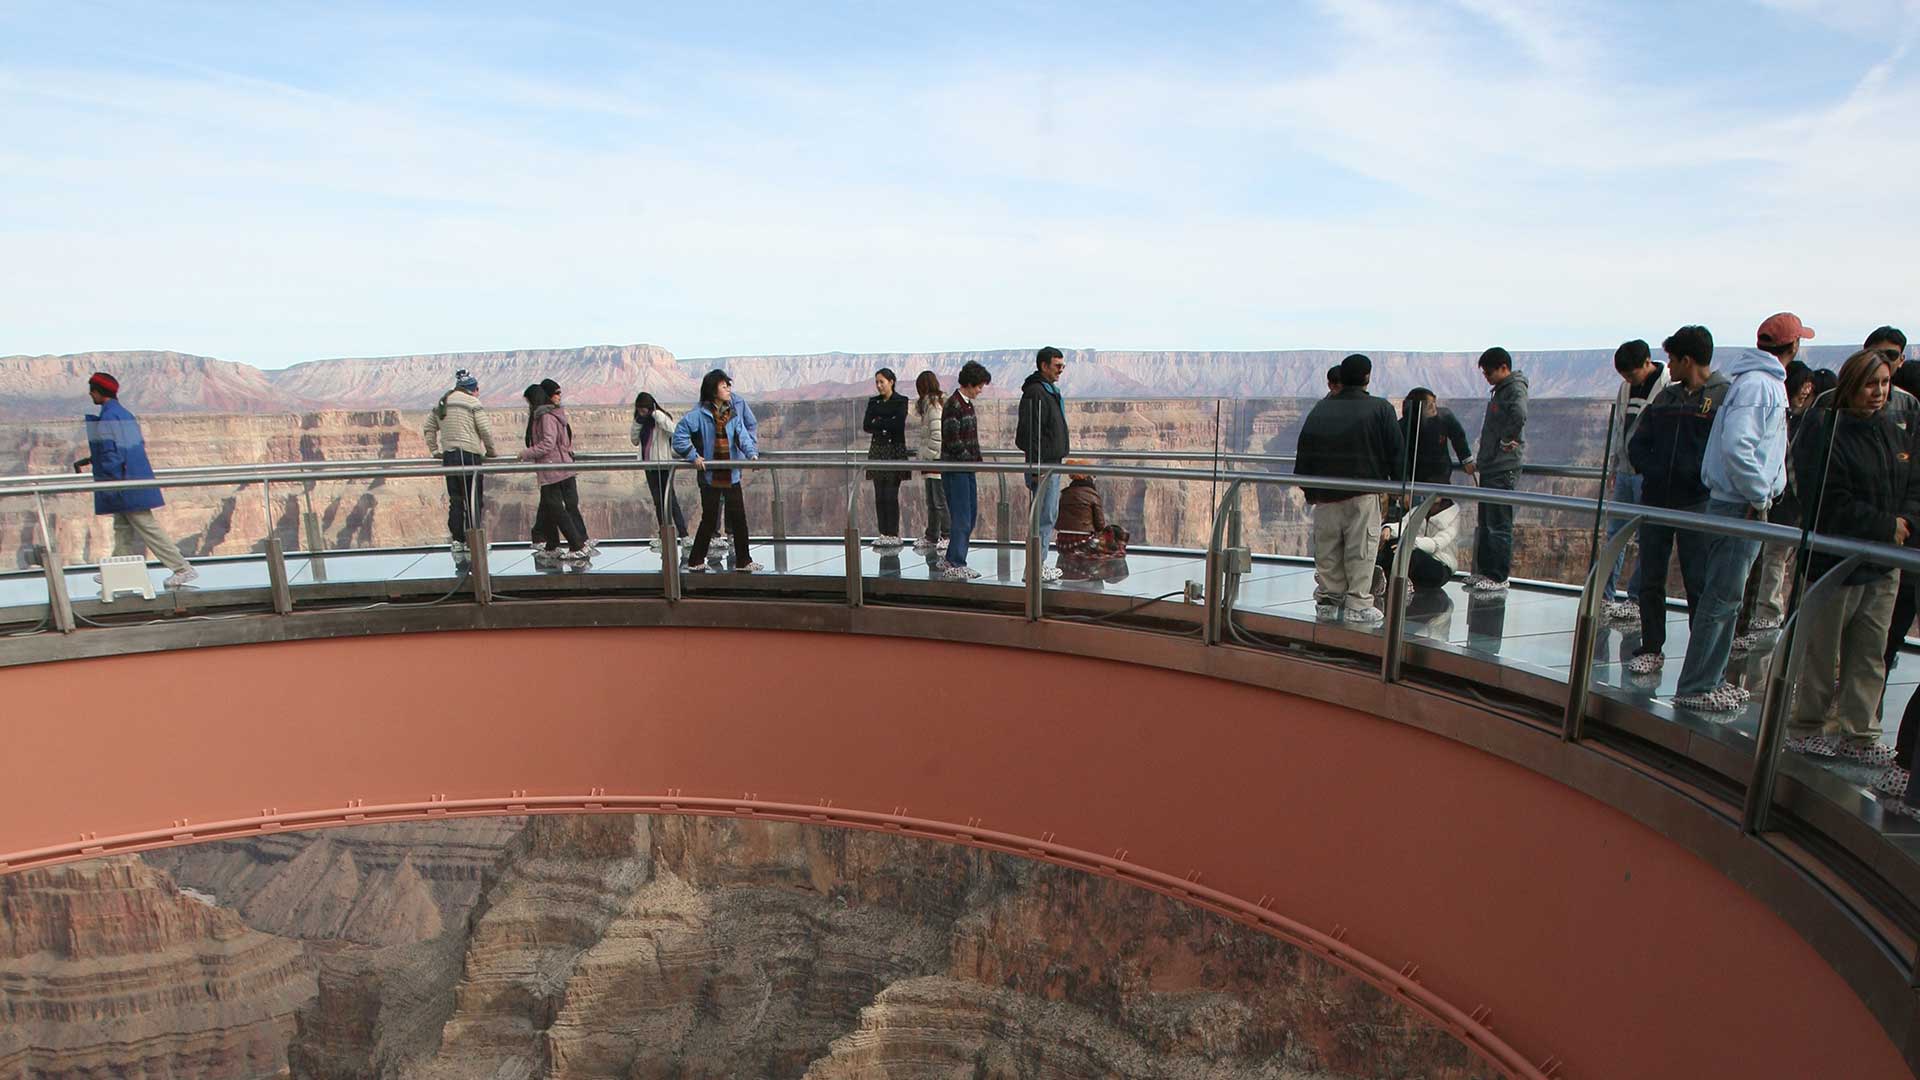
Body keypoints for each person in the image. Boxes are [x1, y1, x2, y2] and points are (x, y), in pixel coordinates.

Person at [1783, 348, 1913, 765]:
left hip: (1882, 565)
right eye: (1870, 385)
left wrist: (1906, 521)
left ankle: (1860, 736)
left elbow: (1912, 482)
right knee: (1821, 653)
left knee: (1870, 654)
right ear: (1850, 387)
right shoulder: (1825, 430)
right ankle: (1806, 728)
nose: (1879, 393)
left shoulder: (1892, 429)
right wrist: (1885, 526)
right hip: (1833, 565)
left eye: (1885, 384)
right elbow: (1827, 501)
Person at [1671, 314, 1800, 712]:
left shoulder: (1757, 382)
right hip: (1740, 504)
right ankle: (1696, 687)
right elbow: (1739, 446)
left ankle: (1711, 679)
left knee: (1728, 597)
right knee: (1721, 598)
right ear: (1792, 347)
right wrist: (1759, 495)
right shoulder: (1760, 386)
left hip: (1741, 501)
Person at [1624, 327, 1727, 675]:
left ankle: (1699, 657)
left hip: (1697, 504)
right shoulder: (1666, 400)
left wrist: (1697, 476)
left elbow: (1727, 451)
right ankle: (1652, 646)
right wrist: (1652, 470)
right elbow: (1637, 442)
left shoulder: (1724, 398)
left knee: (1698, 580)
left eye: (1671, 358)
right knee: (1651, 577)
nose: (1667, 365)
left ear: (1687, 360)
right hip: (1656, 500)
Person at [1294, 353, 1405, 624]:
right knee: (1361, 549)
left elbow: (1305, 449)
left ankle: (1329, 601)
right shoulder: (1380, 409)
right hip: (1363, 492)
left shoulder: (1322, 408)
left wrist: (1310, 490)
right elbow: (1396, 451)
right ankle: (1357, 603)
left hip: (1326, 493)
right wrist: (1399, 485)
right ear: (1367, 377)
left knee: (1328, 549)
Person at [70, 372, 198, 590]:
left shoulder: (109, 418)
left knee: (146, 525)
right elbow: (123, 448)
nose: (90, 394)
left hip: (123, 483)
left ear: (100, 392)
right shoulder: (123, 414)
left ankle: (182, 568)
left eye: (92, 389)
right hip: (131, 478)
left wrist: (107, 480)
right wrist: (91, 460)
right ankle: (116, 570)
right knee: (122, 527)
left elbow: (113, 454)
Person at [1600, 340, 1671, 620]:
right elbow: (1619, 427)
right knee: (1614, 535)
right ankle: (1604, 596)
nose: (1628, 380)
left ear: (1646, 363)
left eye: (1631, 374)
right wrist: (1614, 467)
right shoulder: (1626, 388)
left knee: (1647, 539)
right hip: (1625, 471)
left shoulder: (1665, 386)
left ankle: (1635, 598)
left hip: (1647, 474)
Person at [672, 369, 762, 573]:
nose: (729, 389)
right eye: (724, 386)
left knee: (739, 517)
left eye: (728, 385)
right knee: (710, 518)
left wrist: (752, 455)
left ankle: (743, 561)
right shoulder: (698, 415)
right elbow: (679, 436)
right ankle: (695, 560)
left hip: (731, 474)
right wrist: (693, 455)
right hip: (710, 476)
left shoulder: (732, 415)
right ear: (713, 391)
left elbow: (743, 437)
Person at [1465, 347, 1528, 594]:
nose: (1486, 377)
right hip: (1492, 465)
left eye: (1489, 372)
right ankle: (1484, 571)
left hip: (1503, 468)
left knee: (1499, 523)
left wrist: (1506, 440)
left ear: (1503, 367)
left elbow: (1520, 415)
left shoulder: (1514, 389)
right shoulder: (1501, 390)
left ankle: (1498, 575)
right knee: (1486, 521)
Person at [519, 379, 593, 566]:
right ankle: (553, 546)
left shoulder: (545, 417)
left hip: (553, 468)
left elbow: (548, 444)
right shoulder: (552, 414)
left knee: (557, 509)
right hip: (559, 466)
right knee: (551, 508)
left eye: (528, 402)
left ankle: (577, 546)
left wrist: (526, 453)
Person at [422, 368, 495, 556]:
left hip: (450, 457)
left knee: (456, 501)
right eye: (477, 388)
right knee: (473, 500)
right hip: (469, 456)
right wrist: (491, 451)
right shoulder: (472, 403)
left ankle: (457, 541)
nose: (478, 392)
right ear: (472, 389)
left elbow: (429, 427)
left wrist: (435, 451)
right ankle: (474, 543)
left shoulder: (443, 402)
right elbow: (485, 430)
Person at [1016, 346, 1070, 583]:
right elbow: (1030, 433)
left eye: (1063, 366)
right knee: (1043, 517)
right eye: (1057, 366)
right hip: (1043, 466)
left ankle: (1038, 566)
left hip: (1050, 464)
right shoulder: (1036, 393)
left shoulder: (1047, 391)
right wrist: (1036, 467)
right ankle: (1035, 568)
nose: (1061, 370)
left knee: (1047, 515)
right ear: (1044, 365)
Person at [940, 360, 992, 580]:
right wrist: (968, 460)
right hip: (956, 469)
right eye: (979, 386)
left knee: (969, 514)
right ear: (970, 383)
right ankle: (956, 562)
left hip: (966, 467)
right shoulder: (954, 405)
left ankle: (953, 557)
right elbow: (953, 440)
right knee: (962, 516)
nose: (981, 390)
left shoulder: (967, 404)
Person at [630, 391, 687, 554]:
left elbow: (673, 431)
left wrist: (657, 414)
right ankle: (664, 536)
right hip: (649, 467)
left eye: (645, 409)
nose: (643, 412)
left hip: (663, 464)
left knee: (670, 501)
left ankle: (683, 534)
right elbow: (634, 440)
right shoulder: (640, 422)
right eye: (639, 410)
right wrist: (638, 422)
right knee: (658, 501)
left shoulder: (660, 418)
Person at [1053, 462, 1129, 582]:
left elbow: (1056, 522)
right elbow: (1100, 525)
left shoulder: (1064, 494)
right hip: (1083, 545)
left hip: (1063, 544)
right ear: (1088, 477)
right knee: (1116, 531)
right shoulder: (1092, 495)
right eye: (1093, 476)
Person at [862, 367, 911, 549]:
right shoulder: (873, 402)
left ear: (891, 382)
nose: (879, 385)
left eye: (882, 382)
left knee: (891, 494)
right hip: (877, 451)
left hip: (894, 450)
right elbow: (867, 425)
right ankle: (883, 533)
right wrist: (885, 423)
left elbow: (898, 424)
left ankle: (893, 533)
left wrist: (879, 423)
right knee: (879, 494)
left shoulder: (901, 401)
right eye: (876, 382)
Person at [1377, 497, 1461, 591]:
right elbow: (1404, 526)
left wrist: (1410, 544)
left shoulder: (1454, 518)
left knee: (1413, 554)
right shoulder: (1419, 509)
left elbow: (1436, 544)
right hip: (1415, 555)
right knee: (1393, 544)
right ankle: (1383, 574)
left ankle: (1397, 580)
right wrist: (1389, 529)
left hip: (1440, 565)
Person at [1398, 387, 1472, 486]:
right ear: (1418, 408)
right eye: (1429, 405)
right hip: (1414, 480)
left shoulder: (1445, 417)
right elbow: (1398, 456)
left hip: (1441, 477)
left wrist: (1466, 459)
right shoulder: (1404, 426)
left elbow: (1458, 437)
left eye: (1434, 403)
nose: (1434, 407)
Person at [912, 371, 950, 556]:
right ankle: (932, 535)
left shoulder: (934, 406)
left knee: (939, 501)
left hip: (936, 460)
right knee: (932, 501)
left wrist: (926, 454)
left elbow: (937, 435)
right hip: (932, 460)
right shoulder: (930, 404)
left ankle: (947, 535)